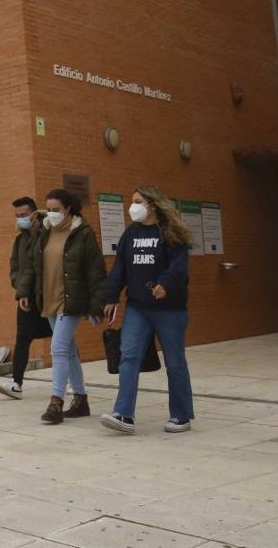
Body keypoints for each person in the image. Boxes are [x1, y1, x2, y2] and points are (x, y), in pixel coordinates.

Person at [100, 186, 195, 435]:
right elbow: (119, 267)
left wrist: (165, 283)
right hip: (137, 307)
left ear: (152, 205)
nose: (132, 206)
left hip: (169, 309)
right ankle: (123, 414)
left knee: (174, 361)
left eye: (137, 201)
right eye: (131, 201)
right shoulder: (130, 233)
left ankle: (181, 415)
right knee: (128, 357)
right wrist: (111, 297)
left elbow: (179, 266)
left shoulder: (170, 232)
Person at [14, 188, 106, 424]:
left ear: (68, 209)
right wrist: (24, 291)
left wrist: (97, 305)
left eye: (56, 209)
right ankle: (81, 400)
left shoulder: (82, 233)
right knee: (69, 350)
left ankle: (56, 402)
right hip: (49, 298)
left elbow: (96, 271)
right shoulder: (44, 231)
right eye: (49, 209)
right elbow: (33, 265)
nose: (52, 213)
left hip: (72, 300)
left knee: (58, 348)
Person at [0, 197, 52, 399]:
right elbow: (15, 268)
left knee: (63, 340)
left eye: (24, 215)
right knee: (22, 339)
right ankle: (16, 383)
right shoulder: (20, 240)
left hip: (48, 296)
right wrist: (21, 290)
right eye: (17, 216)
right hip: (26, 299)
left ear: (34, 213)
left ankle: (74, 382)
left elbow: (38, 267)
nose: (21, 219)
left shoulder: (46, 233)